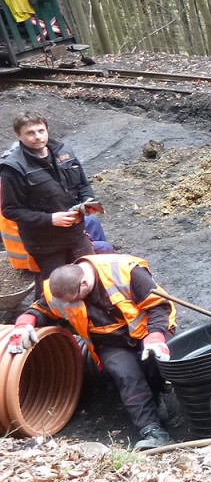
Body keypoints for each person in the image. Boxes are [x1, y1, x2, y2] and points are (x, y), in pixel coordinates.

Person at [7, 253, 177, 450]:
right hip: (109, 343)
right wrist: (23, 324)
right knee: (126, 375)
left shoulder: (125, 272)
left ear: (85, 283)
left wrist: (156, 337)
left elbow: (159, 306)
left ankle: (158, 390)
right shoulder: (59, 290)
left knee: (157, 363)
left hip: (149, 330)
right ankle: (153, 432)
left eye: (74, 300)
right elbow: (39, 310)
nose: (69, 306)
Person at [0, 111, 98, 293]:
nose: (37, 137)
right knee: (55, 289)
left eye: (41, 130)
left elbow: (83, 185)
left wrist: (88, 201)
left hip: (76, 235)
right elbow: (11, 210)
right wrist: (50, 219)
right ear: (18, 135)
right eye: (30, 133)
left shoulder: (64, 152)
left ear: (47, 130)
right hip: (45, 243)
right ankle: (48, 318)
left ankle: (89, 318)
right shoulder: (13, 168)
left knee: (89, 278)